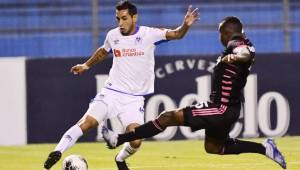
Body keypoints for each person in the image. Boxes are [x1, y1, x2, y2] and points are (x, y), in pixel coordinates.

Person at [102, 16, 287, 169]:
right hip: (228, 109)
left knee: (167, 117)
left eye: (220, 34)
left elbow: (244, 52)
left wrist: (235, 55)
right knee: (213, 147)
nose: (220, 38)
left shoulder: (237, 43)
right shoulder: (245, 42)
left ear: (226, 32)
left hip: (220, 108)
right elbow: (248, 52)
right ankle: (265, 149)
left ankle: (118, 138)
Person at [43, 0, 199, 170]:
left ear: (134, 17)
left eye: (124, 18)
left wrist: (186, 25)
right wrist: (85, 65)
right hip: (111, 92)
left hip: (133, 99)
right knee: (87, 123)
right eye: (117, 19)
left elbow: (176, 34)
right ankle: (57, 152)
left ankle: (120, 159)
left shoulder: (150, 34)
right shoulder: (113, 35)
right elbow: (104, 50)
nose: (120, 23)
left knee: (136, 141)